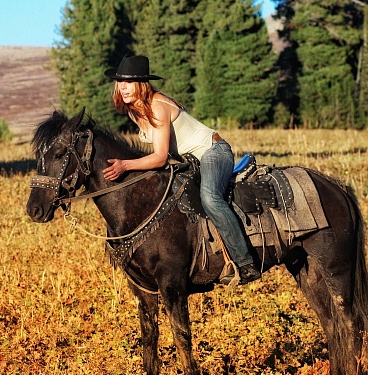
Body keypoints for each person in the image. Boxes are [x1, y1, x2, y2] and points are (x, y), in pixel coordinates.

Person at [103, 55, 260, 285]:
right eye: (120, 82)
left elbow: (159, 157)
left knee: (210, 198)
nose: (123, 87)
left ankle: (245, 262)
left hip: (213, 151)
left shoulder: (157, 106)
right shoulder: (133, 110)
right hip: (190, 160)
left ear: (142, 84)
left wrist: (125, 164)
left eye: (129, 82)